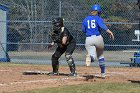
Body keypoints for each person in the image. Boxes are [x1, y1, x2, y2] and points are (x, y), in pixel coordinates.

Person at [82, 4, 114, 79]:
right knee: (100, 55)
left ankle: (91, 57)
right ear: (98, 12)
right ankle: (103, 74)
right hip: (98, 38)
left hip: (88, 39)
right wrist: (109, 32)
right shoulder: (98, 18)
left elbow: (83, 30)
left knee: (93, 55)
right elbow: (102, 26)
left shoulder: (85, 19)